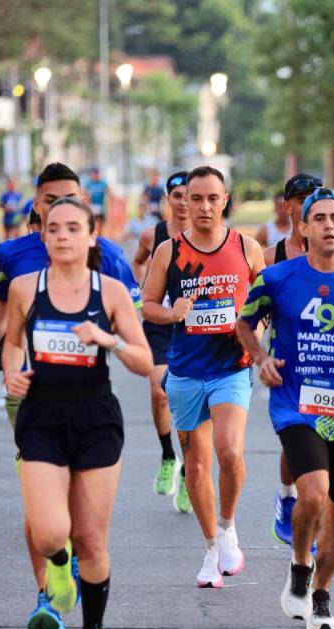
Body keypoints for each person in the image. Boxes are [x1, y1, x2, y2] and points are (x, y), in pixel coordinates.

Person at [0, 162, 142, 629]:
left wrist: (112, 340)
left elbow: (133, 328)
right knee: (44, 512)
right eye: (49, 203)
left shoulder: (106, 258)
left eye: (71, 203)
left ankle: (85, 619)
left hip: (89, 404)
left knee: (79, 518)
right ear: (36, 204)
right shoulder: (14, 254)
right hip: (31, 398)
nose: (60, 215)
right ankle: (47, 593)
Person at [1, 197, 152, 629]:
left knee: (91, 538)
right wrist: (12, 373)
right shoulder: (26, 287)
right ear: (43, 236)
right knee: (50, 533)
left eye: (72, 228)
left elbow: (146, 361)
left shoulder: (109, 292)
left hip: (95, 420)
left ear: (92, 236)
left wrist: (109, 339)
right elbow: (10, 343)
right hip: (42, 415)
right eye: (53, 228)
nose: (62, 235)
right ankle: (58, 568)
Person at [237, 188, 334, 629]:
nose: (329, 225)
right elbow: (244, 321)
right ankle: (300, 564)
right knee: (313, 493)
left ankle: (321, 592)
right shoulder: (277, 278)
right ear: (303, 228)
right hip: (296, 404)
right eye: (319, 218)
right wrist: (261, 358)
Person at [141, 166, 265, 588]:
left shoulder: (247, 248)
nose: (205, 206)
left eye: (213, 198)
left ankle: (228, 526)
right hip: (186, 373)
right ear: (184, 203)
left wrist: (254, 337)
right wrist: (172, 313)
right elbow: (149, 305)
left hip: (231, 368)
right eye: (197, 198)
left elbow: (263, 306)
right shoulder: (168, 252)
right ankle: (212, 546)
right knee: (195, 464)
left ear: (225, 200)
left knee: (230, 452)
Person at [263, 174, 334, 548]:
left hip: (333, 363)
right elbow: (257, 307)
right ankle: (288, 496)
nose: (306, 203)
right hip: (292, 363)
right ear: (288, 208)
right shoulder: (273, 256)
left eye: (313, 197)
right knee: (297, 441)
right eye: (299, 198)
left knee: (328, 448)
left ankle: (311, 509)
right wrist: (258, 357)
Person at [131, 171, 191, 506]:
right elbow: (137, 263)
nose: (183, 202)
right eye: (177, 195)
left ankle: (187, 474)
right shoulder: (151, 235)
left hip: (192, 325)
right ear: (168, 199)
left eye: (188, 195)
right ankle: (169, 456)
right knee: (159, 392)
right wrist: (142, 295)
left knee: (188, 400)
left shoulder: (204, 236)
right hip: (158, 321)